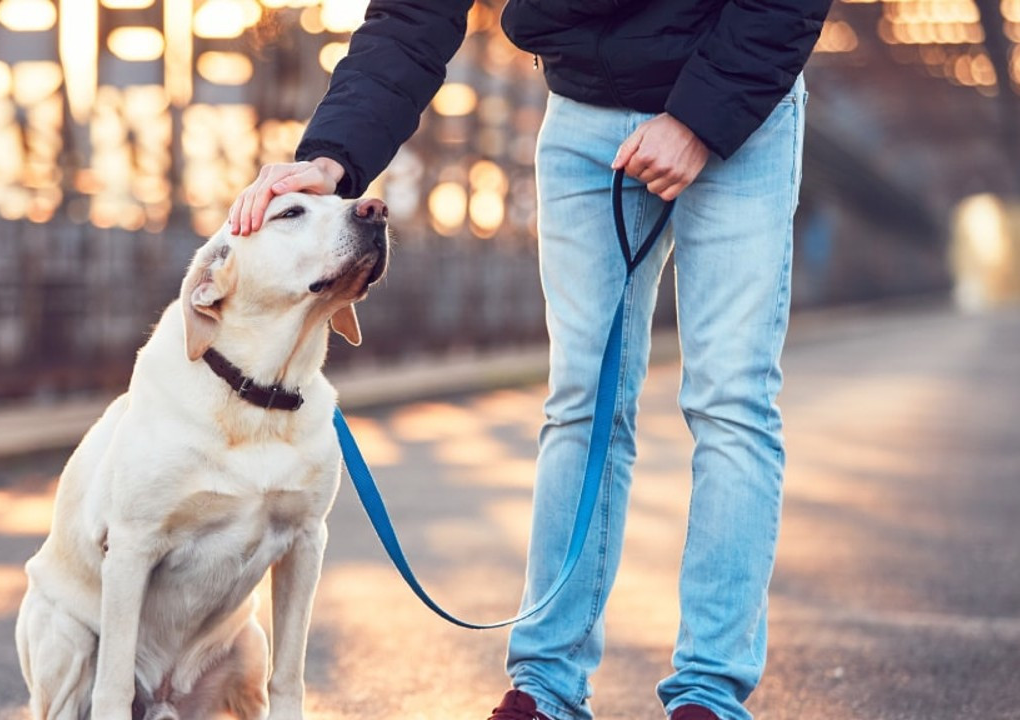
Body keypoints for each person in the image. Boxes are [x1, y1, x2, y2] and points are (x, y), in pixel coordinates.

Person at [230, 1, 830, 718]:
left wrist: (700, 120)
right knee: (581, 403)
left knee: (730, 400)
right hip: (584, 113)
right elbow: (414, 13)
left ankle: (710, 695)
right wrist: (334, 154)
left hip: (739, 110)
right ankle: (547, 688)